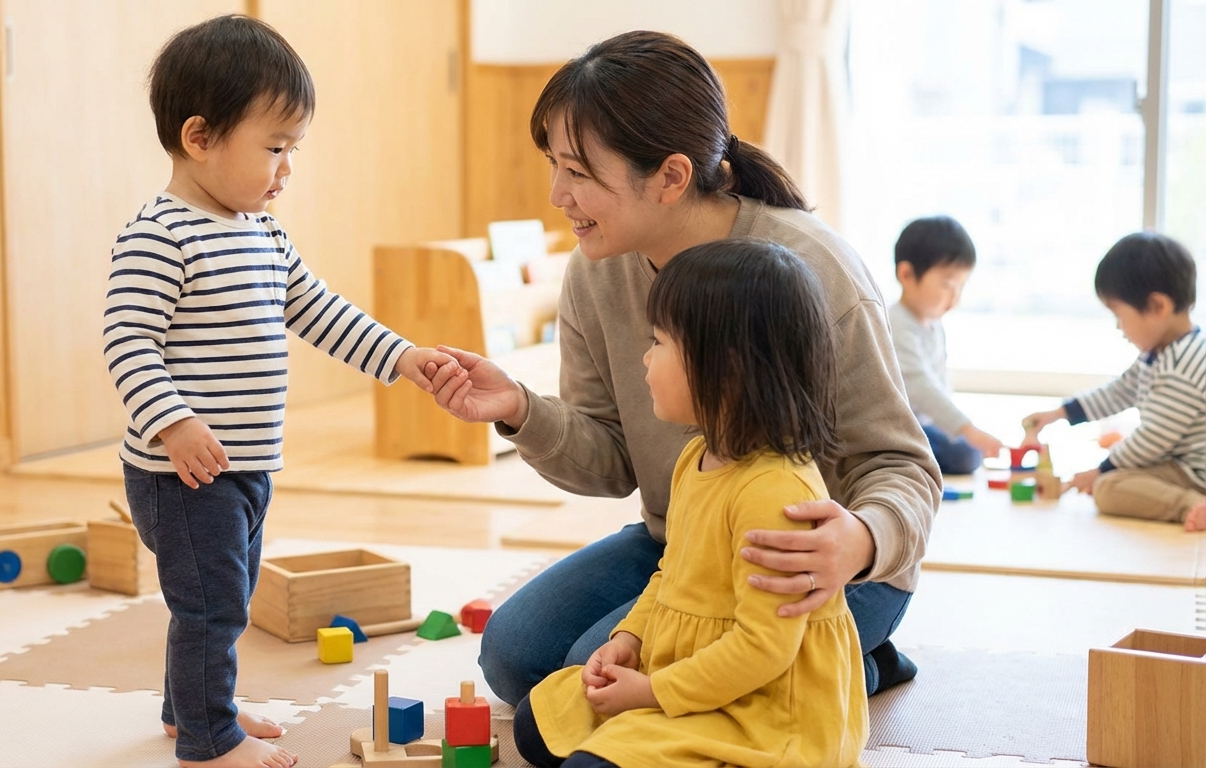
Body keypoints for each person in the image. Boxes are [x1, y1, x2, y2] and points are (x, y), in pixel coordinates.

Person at [426, 30, 939, 704]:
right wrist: (521, 410)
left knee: (591, 679)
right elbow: (610, 463)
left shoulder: (809, 268)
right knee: (517, 657)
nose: (556, 193)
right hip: (682, 552)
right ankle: (824, 678)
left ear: (669, 176)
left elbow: (902, 467)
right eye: (554, 164)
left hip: (820, 573)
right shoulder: (595, 272)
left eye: (578, 172)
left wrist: (862, 540)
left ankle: (838, 665)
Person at [102, 16, 459, 768]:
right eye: (274, 148)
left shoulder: (263, 232)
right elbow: (127, 343)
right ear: (199, 137)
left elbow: (318, 312)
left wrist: (400, 357)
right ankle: (209, 740)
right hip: (185, 472)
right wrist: (175, 424)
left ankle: (191, 709)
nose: (286, 169)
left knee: (219, 597)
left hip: (246, 467)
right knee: (214, 606)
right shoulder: (159, 235)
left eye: (293, 150)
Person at [512, 240, 868, 768]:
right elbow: (672, 573)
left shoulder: (774, 492)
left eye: (658, 342)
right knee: (533, 725)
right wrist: (630, 637)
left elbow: (762, 650)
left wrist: (650, 692)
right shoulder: (696, 456)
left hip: (763, 706)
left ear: (722, 369)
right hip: (688, 670)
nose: (645, 358)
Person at [1021, 232, 1206, 532]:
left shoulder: (1181, 366)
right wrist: (1061, 414)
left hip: (1196, 474)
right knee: (1113, 477)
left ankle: (1192, 505)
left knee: (1109, 489)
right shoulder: (1160, 353)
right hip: (1178, 463)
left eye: (1120, 315)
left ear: (1157, 307)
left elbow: (1152, 439)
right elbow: (1118, 392)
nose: (1119, 328)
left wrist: (1100, 470)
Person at [888, 215, 1005, 475]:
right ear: (906, 274)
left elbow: (940, 385)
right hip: (897, 429)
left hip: (924, 426)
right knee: (964, 453)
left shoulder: (934, 324)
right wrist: (967, 429)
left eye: (961, 287)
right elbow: (921, 386)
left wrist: (958, 428)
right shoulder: (896, 323)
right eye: (947, 285)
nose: (955, 297)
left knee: (965, 447)